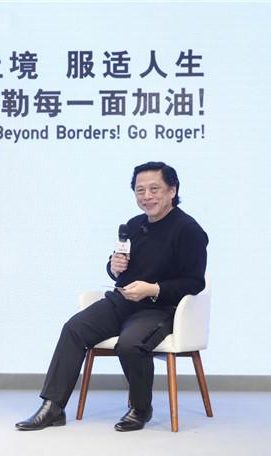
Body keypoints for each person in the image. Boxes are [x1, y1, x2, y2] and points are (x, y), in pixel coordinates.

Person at [15, 161, 208, 432]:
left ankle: (141, 408)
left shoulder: (188, 230)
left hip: (160, 308)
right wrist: (113, 266)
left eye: (154, 189)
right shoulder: (134, 225)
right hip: (122, 302)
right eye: (140, 190)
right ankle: (53, 407)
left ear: (172, 191)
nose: (147, 196)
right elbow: (120, 269)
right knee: (74, 329)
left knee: (130, 344)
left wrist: (153, 289)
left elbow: (194, 282)